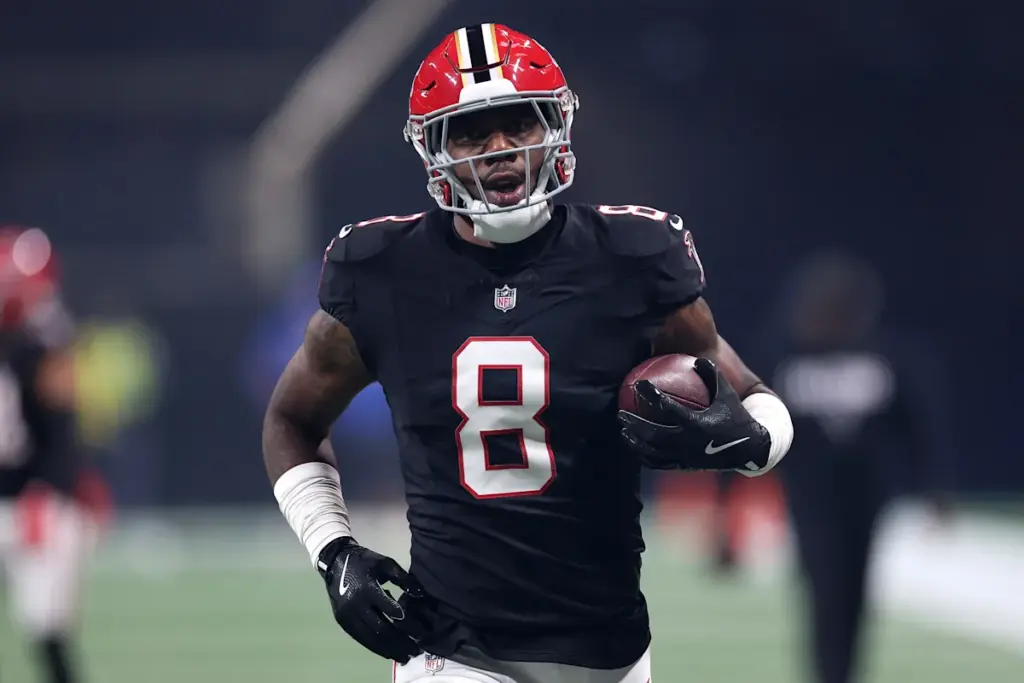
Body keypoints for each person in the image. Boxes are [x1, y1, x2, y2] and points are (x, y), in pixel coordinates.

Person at [262, 23, 795, 683]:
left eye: (518, 123)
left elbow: (753, 396)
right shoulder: (381, 272)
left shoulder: (632, 259)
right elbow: (291, 418)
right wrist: (333, 551)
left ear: (555, 125)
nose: (501, 149)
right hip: (454, 650)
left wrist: (752, 441)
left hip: (609, 649)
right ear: (433, 148)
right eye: (471, 132)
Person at [749, 252, 953, 683]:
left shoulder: (885, 358)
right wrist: (725, 498)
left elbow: (918, 427)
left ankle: (842, 673)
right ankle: (830, 672)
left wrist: (935, 488)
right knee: (823, 587)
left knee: (855, 591)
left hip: (867, 498)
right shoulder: (783, 359)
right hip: (809, 499)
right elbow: (748, 425)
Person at [0, 226, 103, 683]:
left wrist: (53, 489)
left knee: (46, 625)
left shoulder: (45, 341)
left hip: (31, 500)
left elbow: (60, 429)